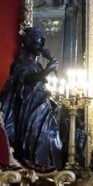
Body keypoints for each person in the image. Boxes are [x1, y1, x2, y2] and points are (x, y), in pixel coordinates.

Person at [0, 27, 63, 168]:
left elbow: (51, 77)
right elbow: (27, 79)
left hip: (42, 104)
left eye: (42, 44)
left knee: (50, 134)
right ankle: (34, 166)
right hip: (30, 106)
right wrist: (48, 70)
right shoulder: (20, 63)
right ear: (28, 44)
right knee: (34, 135)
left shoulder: (37, 64)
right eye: (37, 44)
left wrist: (50, 60)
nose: (40, 47)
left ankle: (47, 167)